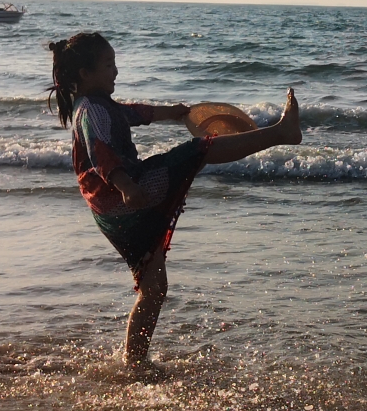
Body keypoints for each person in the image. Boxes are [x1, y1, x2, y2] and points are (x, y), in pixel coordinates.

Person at [47, 32, 303, 368]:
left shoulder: (97, 105)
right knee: (197, 151)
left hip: (113, 212)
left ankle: (134, 363)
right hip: (126, 194)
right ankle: (281, 133)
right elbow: (101, 154)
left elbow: (136, 112)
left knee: (154, 288)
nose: (116, 72)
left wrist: (175, 112)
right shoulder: (91, 112)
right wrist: (125, 184)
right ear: (85, 73)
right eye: (109, 65)